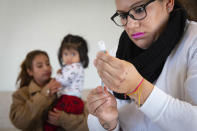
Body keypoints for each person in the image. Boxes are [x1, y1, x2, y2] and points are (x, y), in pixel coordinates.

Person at [87, 0, 197, 131]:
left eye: (139, 10)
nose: (131, 25)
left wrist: (138, 89)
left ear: (168, 3)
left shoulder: (193, 41)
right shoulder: (117, 52)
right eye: (123, 16)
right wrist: (108, 122)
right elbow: (99, 124)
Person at [10, 50, 89, 131]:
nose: (46, 68)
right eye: (40, 66)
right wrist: (45, 93)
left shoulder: (62, 87)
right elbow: (19, 122)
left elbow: (87, 123)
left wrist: (64, 119)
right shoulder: (21, 94)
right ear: (30, 71)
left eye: (48, 64)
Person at [44, 34, 89, 131]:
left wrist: (57, 76)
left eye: (73, 54)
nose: (69, 58)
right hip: (72, 99)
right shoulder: (70, 67)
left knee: (51, 119)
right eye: (65, 54)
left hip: (70, 100)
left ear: (81, 55)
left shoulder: (75, 67)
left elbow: (63, 81)